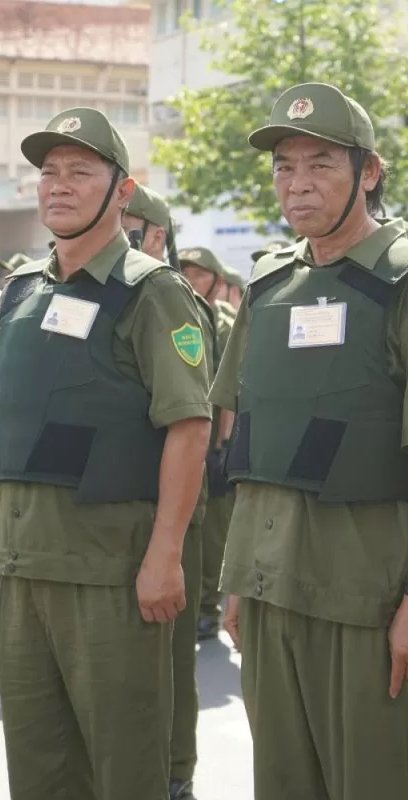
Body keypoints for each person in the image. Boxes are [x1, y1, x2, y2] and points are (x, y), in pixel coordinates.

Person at [213, 82, 408, 799]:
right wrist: (239, 578)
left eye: (320, 164)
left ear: (369, 171)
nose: (297, 184)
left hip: (364, 597)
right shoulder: (266, 283)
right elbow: (249, 443)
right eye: (284, 166)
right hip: (270, 593)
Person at [0, 108, 212, 800]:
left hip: (109, 571)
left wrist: (166, 555)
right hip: (23, 571)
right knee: (38, 769)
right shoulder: (19, 291)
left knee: (122, 767)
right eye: (49, 172)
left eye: (81, 172)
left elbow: (189, 427)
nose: (59, 185)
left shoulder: (153, 292)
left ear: (123, 190)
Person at [122, 185, 214, 800]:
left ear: (157, 234)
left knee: (173, 650)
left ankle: (176, 767)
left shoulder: (175, 300)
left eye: (133, 224)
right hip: (130, 499)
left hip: (181, 503)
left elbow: (196, 419)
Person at [175, 246, 239, 646]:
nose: (191, 280)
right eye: (186, 273)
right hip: (184, 445)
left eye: (199, 274)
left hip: (212, 443)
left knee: (213, 533)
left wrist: (223, 444)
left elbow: (228, 393)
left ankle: (207, 609)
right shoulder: (183, 317)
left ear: (216, 281)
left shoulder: (223, 325)